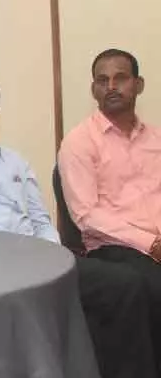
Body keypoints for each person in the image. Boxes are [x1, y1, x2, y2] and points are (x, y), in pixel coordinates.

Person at [0, 76, 155, 378]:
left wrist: (56, 265)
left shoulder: (15, 162)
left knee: (126, 287)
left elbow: (41, 221)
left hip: (37, 260)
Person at [60, 48, 161, 375]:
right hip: (117, 247)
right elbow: (86, 215)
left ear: (139, 85)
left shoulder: (157, 138)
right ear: (94, 90)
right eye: (103, 81)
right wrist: (150, 243)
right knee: (150, 287)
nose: (111, 87)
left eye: (121, 78)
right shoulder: (79, 142)